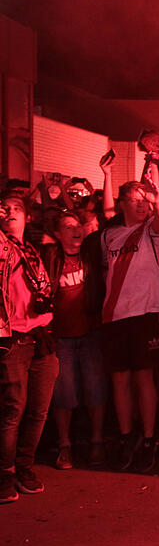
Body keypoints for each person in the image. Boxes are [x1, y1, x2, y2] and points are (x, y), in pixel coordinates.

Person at [99, 168, 159, 473]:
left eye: (145, 200)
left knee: (143, 377)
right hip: (114, 314)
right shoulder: (108, 236)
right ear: (123, 203)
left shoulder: (150, 231)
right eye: (136, 199)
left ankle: (151, 438)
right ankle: (128, 437)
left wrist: (157, 198)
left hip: (145, 312)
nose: (142, 204)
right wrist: (107, 175)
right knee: (119, 378)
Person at [0, 192, 59, 503]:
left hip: (40, 337)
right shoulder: (2, 247)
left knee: (38, 410)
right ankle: (5, 472)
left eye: (16, 209)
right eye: (4, 209)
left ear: (27, 217)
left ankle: (24, 466)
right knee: (12, 410)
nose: (10, 213)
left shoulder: (32, 250)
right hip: (12, 340)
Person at [43, 211, 107, 469]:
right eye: (68, 227)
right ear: (57, 235)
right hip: (62, 338)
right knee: (64, 394)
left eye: (77, 225)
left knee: (95, 390)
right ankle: (64, 445)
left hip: (91, 333)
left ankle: (96, 442)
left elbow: (106, 221)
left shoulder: (91, 255)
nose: (75, 229)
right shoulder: (49, 258)